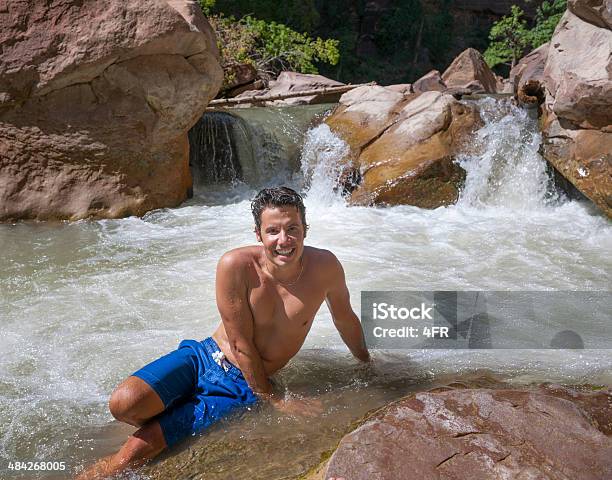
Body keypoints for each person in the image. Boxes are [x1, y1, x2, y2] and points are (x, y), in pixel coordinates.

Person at [76, 186, 370, 479]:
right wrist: (274, 399)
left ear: (305, 229)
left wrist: (367, 363)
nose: (284, 240)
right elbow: (240, 342)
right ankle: (173, 414)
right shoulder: (236, 265)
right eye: (273, 231)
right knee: (123, 402)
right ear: (258, 234)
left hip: (241, 382)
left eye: (293, 229)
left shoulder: (325, 267)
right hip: (204, 356)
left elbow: (344, 319)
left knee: (128, 458)